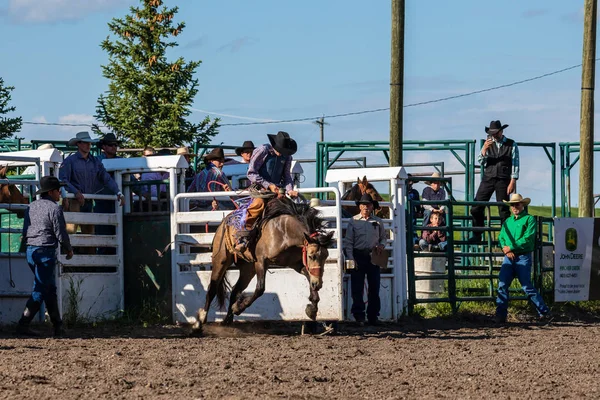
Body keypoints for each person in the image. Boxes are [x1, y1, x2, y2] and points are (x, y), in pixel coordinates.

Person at [17, 176, 73, 337]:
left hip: (31, 250)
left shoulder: (31, 206)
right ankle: (23, 324)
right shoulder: (54, 209)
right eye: (58, 190)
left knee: (48, 288)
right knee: (41, 289)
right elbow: (60, 232)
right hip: (45, 251)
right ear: (51, 192)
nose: (60, 193)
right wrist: (68, 249)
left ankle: (58, 326)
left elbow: (26, 228)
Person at [235, 131, 299, 252]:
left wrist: (290, 190)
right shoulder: (263, 150)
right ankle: (243, 238)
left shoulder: (287, 156)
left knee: (293, 210)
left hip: (277, 191)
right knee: (257, 207)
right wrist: (268, 185)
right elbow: (251, 173)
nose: (282, 154)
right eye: (281, 150)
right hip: (260, 189)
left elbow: (287, 176)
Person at [494, 193, 551, 323]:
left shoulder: (529, 220)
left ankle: (544, 312)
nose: (514, 207)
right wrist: (505, 248)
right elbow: (501, 237)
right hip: (512, 256)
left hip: (521, 256)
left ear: (522, 205)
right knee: (503, 284)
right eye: (512, 204)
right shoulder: (509, 221)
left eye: (517, 204)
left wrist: (509, 248)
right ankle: (501, 315)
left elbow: (528, 239)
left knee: (525, 286)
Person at [59, 132, 124, 239]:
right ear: (78, 144)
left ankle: (83, 251)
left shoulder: (95, 161)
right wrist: (76, 192)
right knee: (71, 231)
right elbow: (63, 180)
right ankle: (69, 251)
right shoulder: (71, 161)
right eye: (85, 143)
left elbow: (106, 177)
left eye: (89, 143)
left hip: (88, 200)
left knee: (89, 233)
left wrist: (118, 191)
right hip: (74, 200)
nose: (88, 145)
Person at [469, 120, 519, 243]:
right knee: (475, 207)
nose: (494, 135)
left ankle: (505, 238)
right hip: (488, 178)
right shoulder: (487, 144)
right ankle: (477, 234)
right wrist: (484, 149)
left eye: (495, 133)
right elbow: (481, 161)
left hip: (503, 179)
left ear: (501, 131)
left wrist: (513, 180)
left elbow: (515, 163)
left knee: (503, 210)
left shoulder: (511, 144)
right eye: (492, 133)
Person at [343, 193, 386, 326]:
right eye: (363, 205)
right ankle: (359, 316)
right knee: (357, 287)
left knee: (374, 287)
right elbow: (348, 242)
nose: (365, 207)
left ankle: (372, 316)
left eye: (368, 205)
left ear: (372, 206)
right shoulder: (353, 221)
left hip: (373, 255)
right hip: (358, 255)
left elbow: (383, 238)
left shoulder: (378, 221)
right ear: (360, 207)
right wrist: (351, 258)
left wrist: (381, 245)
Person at [95, 133, 121, 254]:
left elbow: (130, 179)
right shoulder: (97, 161)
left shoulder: (120, 161)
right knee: (103, 235)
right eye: (111, 145)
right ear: (104, 147)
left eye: (115, 145)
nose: (114, 147)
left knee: (119, 234)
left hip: (118, 203)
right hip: (102, 202)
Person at [406, 173, 422, 250]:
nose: (410, 183)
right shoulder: (401, 191)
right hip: (404, 213)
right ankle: (412, 242)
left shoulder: (414, 192)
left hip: (411, 213)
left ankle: (414, 242)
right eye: (409, 181)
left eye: (411, 181)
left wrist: (419, 211)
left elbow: (418, 204)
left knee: (413, 227)